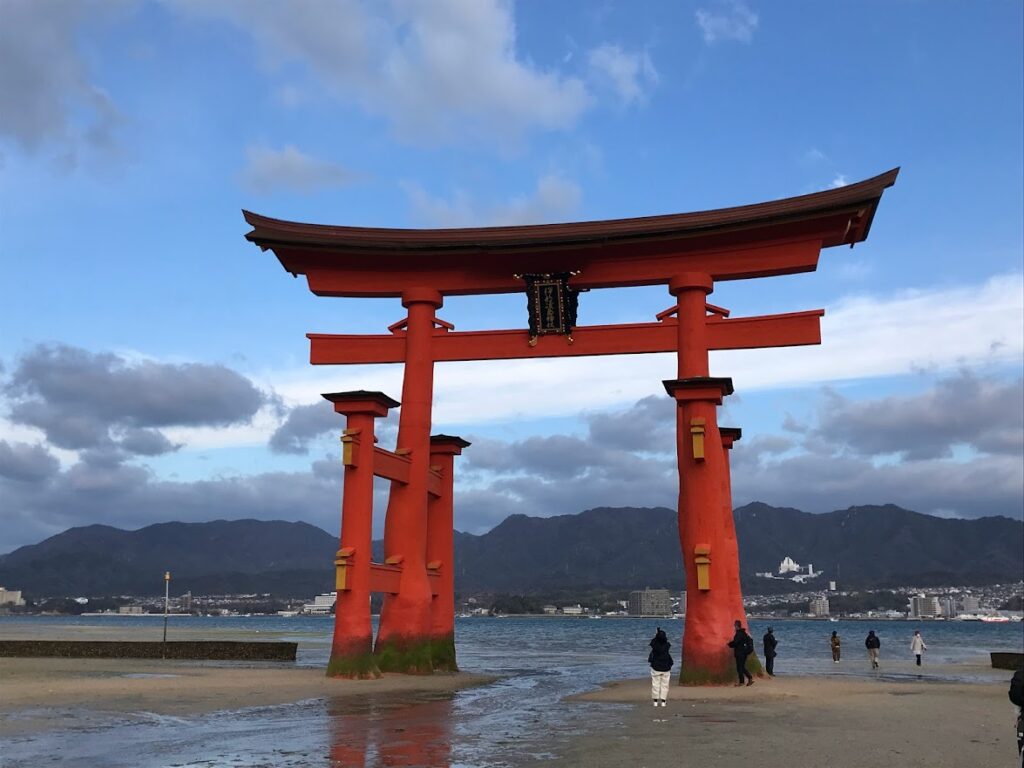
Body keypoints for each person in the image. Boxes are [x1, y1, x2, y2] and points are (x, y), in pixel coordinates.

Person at [648, 627, 673, 707]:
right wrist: (658, 633)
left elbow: (654, 642)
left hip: (656, 667)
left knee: (655, 684)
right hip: (666, 667)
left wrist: (656, 634)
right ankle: (663, 702)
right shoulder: (667, 645)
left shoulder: (654, 645)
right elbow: (663, 640)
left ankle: (655, 702)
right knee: (665, 685)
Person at [727, 620, 754, 686]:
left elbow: (736, 642)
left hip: (740, 653)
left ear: (736, 626)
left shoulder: (739, 634)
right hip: (744, 652)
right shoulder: (744, 633)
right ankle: (748, 679)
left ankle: (743, 681)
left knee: (740, 668)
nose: (734, 627)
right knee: (742, 667)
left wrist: (729, 644)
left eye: (734, 625)